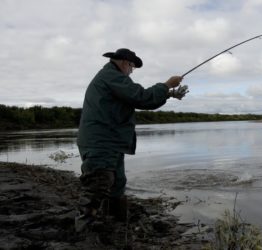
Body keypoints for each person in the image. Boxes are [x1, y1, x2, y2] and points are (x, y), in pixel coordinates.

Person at [75, 48, 188, 232]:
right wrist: (167, 84)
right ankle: (83, 231)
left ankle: (116, 224)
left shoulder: (112, 78)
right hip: (100, 142)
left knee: (117, 183)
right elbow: (141, 97)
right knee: (98, 184)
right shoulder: (111, 76)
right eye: (132, 66)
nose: (132, 71)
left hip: (110, 142)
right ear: (124, 63)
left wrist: (168, 94)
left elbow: (140, 99)